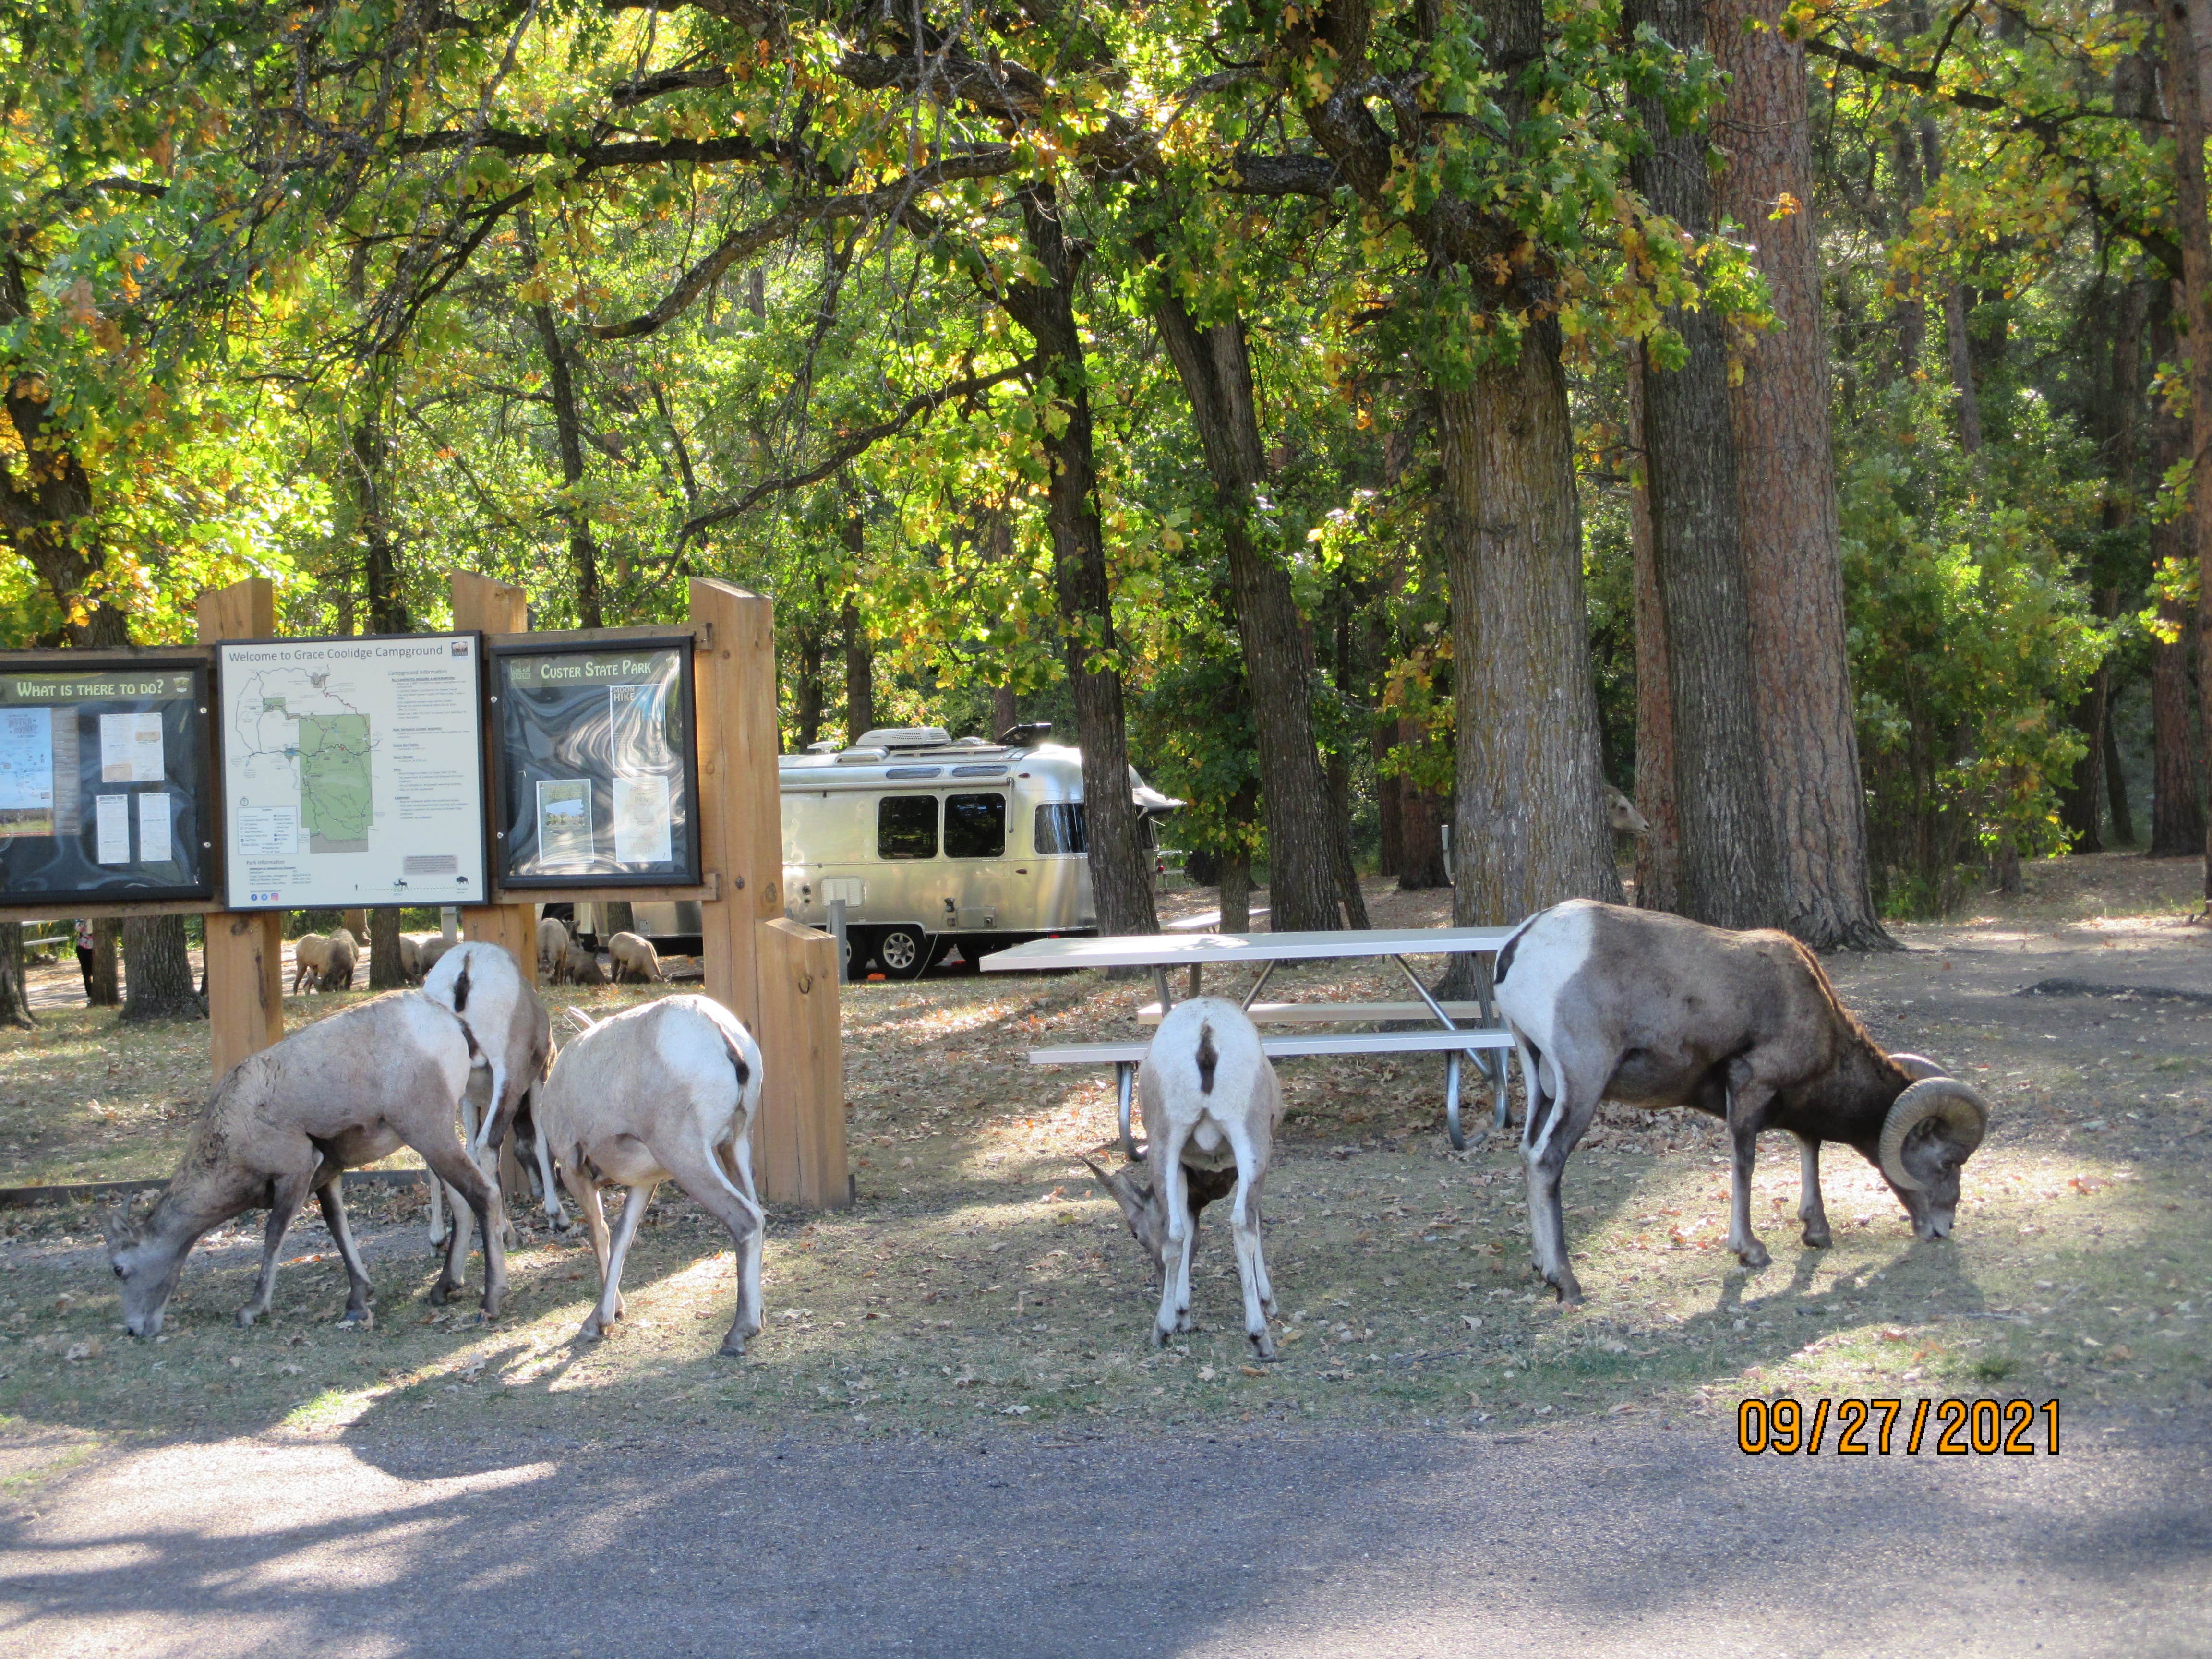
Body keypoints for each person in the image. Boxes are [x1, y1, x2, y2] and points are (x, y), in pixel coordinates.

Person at [74, 917, 96, 999]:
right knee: (87, 974)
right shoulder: (81, 918)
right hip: (83, 947)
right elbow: (78, 928)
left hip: (96, 946)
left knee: (96, 971)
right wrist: (85, 920)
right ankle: (90, 996)